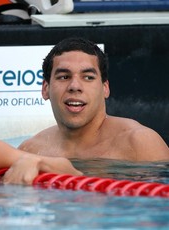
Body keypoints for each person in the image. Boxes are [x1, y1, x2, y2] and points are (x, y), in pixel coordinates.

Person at [18, 37, 169, 161]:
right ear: (45, 89)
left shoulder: (139, 143)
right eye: (64, 77)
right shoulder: (31, 151)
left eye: (88, 77)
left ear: (105, 88)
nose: (75, 86)